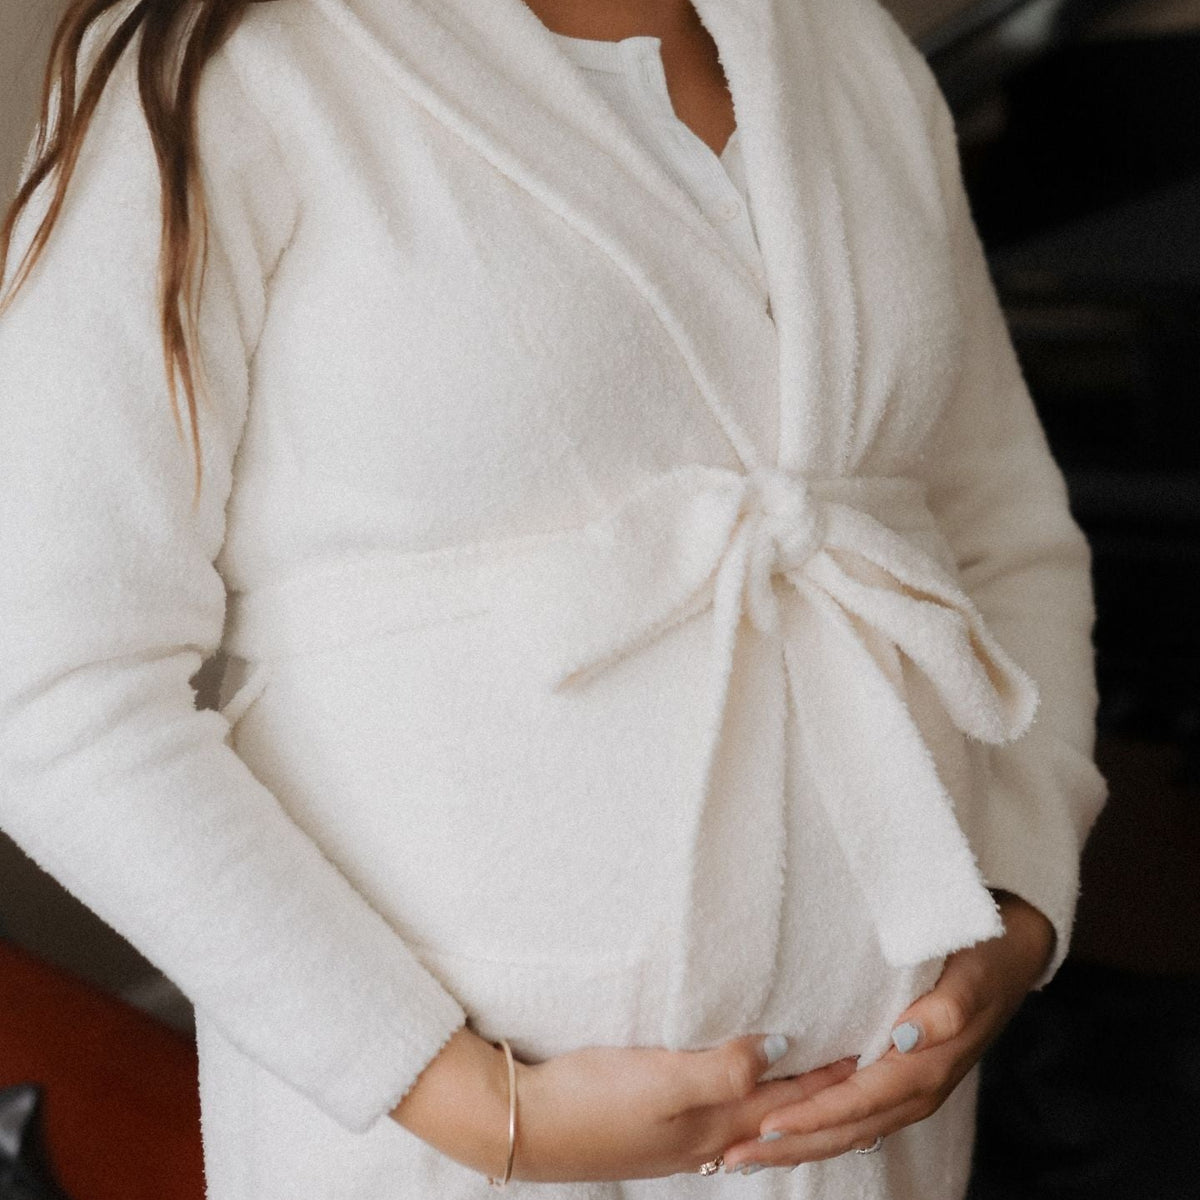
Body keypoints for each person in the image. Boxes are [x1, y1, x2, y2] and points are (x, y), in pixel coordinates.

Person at [0, 0, 1108, 1196]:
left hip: (866, 1147)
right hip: (444, 1154)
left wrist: (1020, 893)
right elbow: (52, 676)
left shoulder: (848, 52)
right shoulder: (237, 70)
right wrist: (469, 1102)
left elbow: (1002, 531)